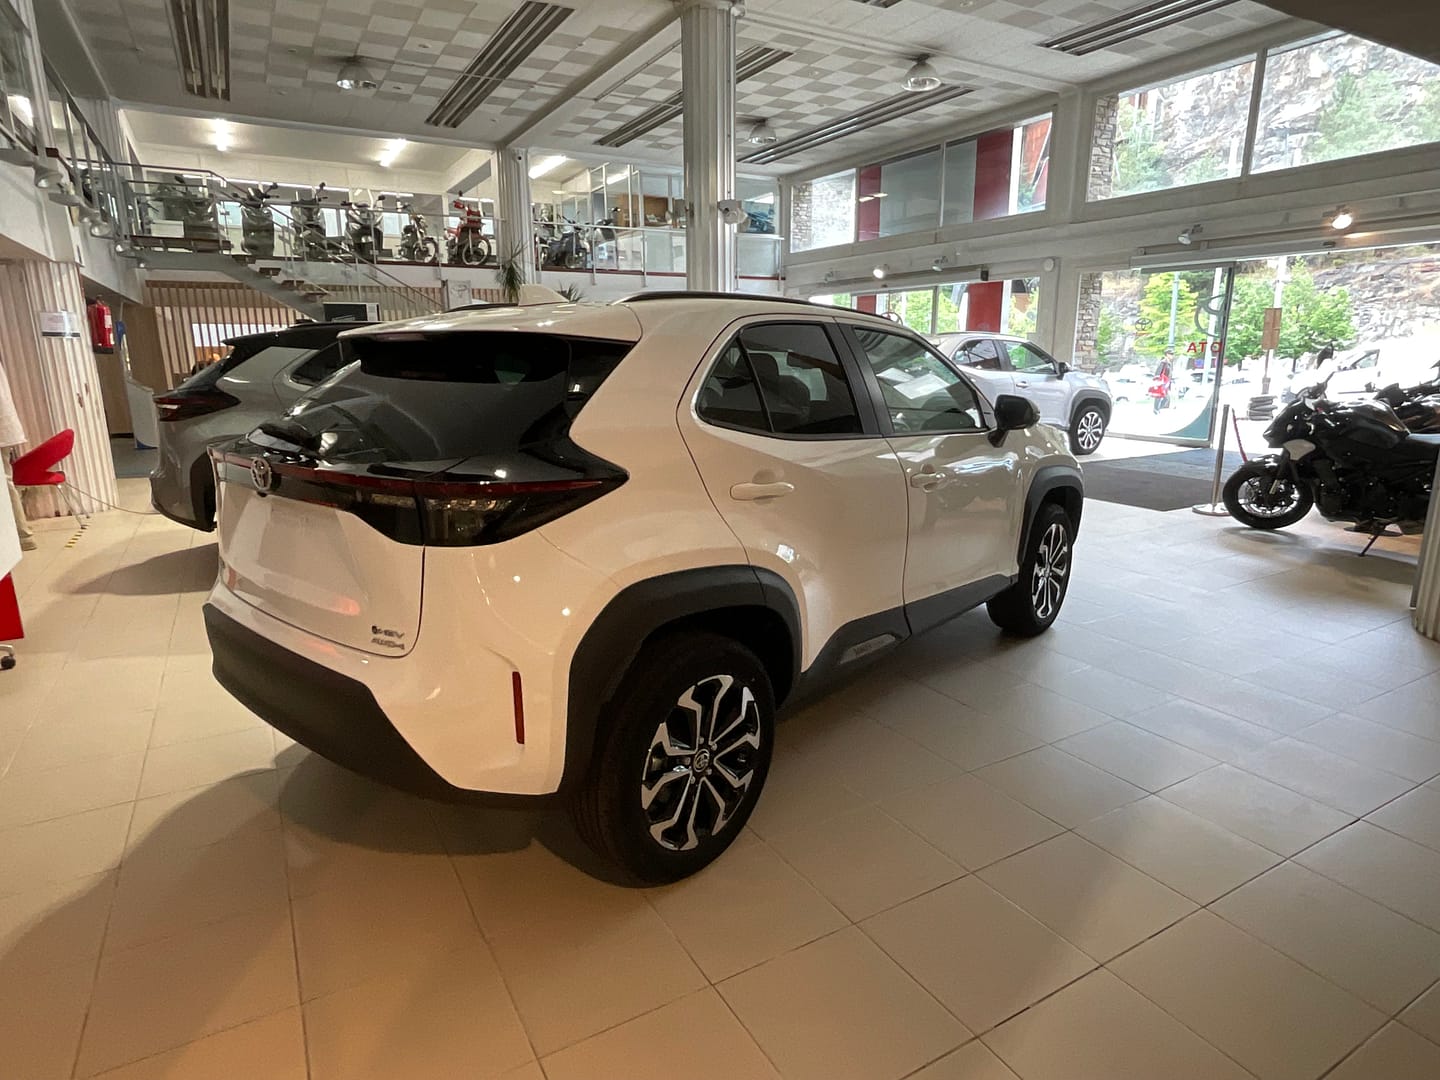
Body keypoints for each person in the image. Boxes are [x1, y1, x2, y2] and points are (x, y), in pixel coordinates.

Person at [0, 357, 35, 551]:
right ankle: (22, 535)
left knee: (5, 483)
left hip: (2, 427)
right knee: (6, 482)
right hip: (5, 427)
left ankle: (21, 535)